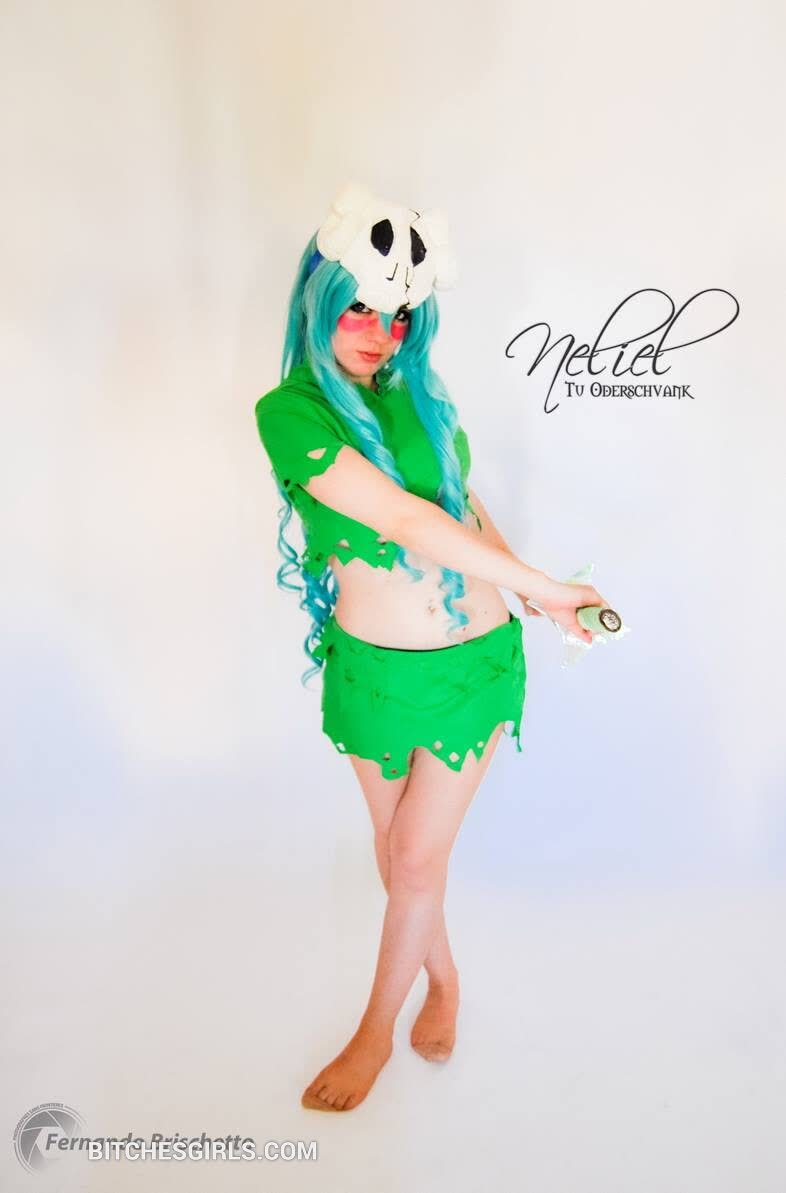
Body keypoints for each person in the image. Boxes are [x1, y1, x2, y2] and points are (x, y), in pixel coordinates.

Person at [254, 183, 609, 1113]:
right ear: (320, 301)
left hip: (469, 667)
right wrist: (545, 584)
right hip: (370, 675)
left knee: (413, 861)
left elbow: (458, 508)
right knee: (398, 855)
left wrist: (532, 592)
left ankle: (375, 1031)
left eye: (400, 315)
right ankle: (443, 978)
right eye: (361, 311)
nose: (381, 334)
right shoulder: (289, 412)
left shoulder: (419, 394)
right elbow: (404, 520)